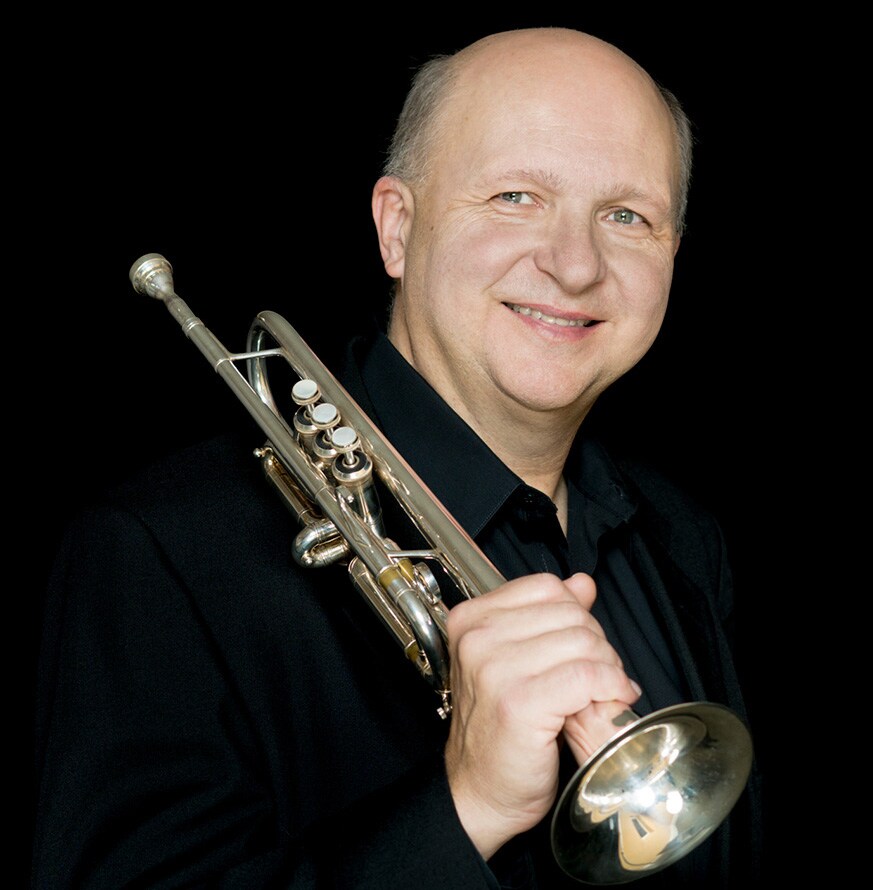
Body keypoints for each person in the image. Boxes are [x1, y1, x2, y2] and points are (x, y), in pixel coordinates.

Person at [32, 27, 763, 888]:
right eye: (516, 197)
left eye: (627, 216)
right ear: (397, 228)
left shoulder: (684, 540)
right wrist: (466, 806)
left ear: (673, 251)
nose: (575, 265)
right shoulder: (164, 551)